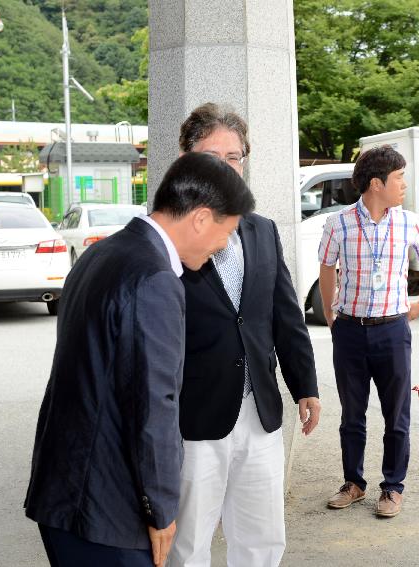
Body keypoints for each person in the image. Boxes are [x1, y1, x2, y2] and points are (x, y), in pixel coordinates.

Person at [24, 152, 255, 567]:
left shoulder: (101, 254)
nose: (224, 246)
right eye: (227, 232)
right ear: (201, 218)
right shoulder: (155, 280)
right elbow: (153, 406)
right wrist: (162, 510)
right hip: (106, 505)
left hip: (62, 488)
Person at [172, 103, 321, 567]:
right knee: (188, 541)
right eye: (211, 155)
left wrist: (306, 386)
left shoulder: (261, 230)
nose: (224, 167)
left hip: (259, 413)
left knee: (262, 537)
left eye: (234, 157)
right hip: (193, 417)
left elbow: (285, 316)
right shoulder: (166, 236)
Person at [319, 145, 419, 518]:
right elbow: (327, 267)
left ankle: (392, 488)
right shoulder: (338, 223)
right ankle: (353, 483)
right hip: (351, 332)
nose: (404, 184)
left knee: (396, 415)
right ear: (376, 183)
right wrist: (330, 313)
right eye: (399, 177)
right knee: (352, 414)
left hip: (392, 330)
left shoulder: (408, 221)